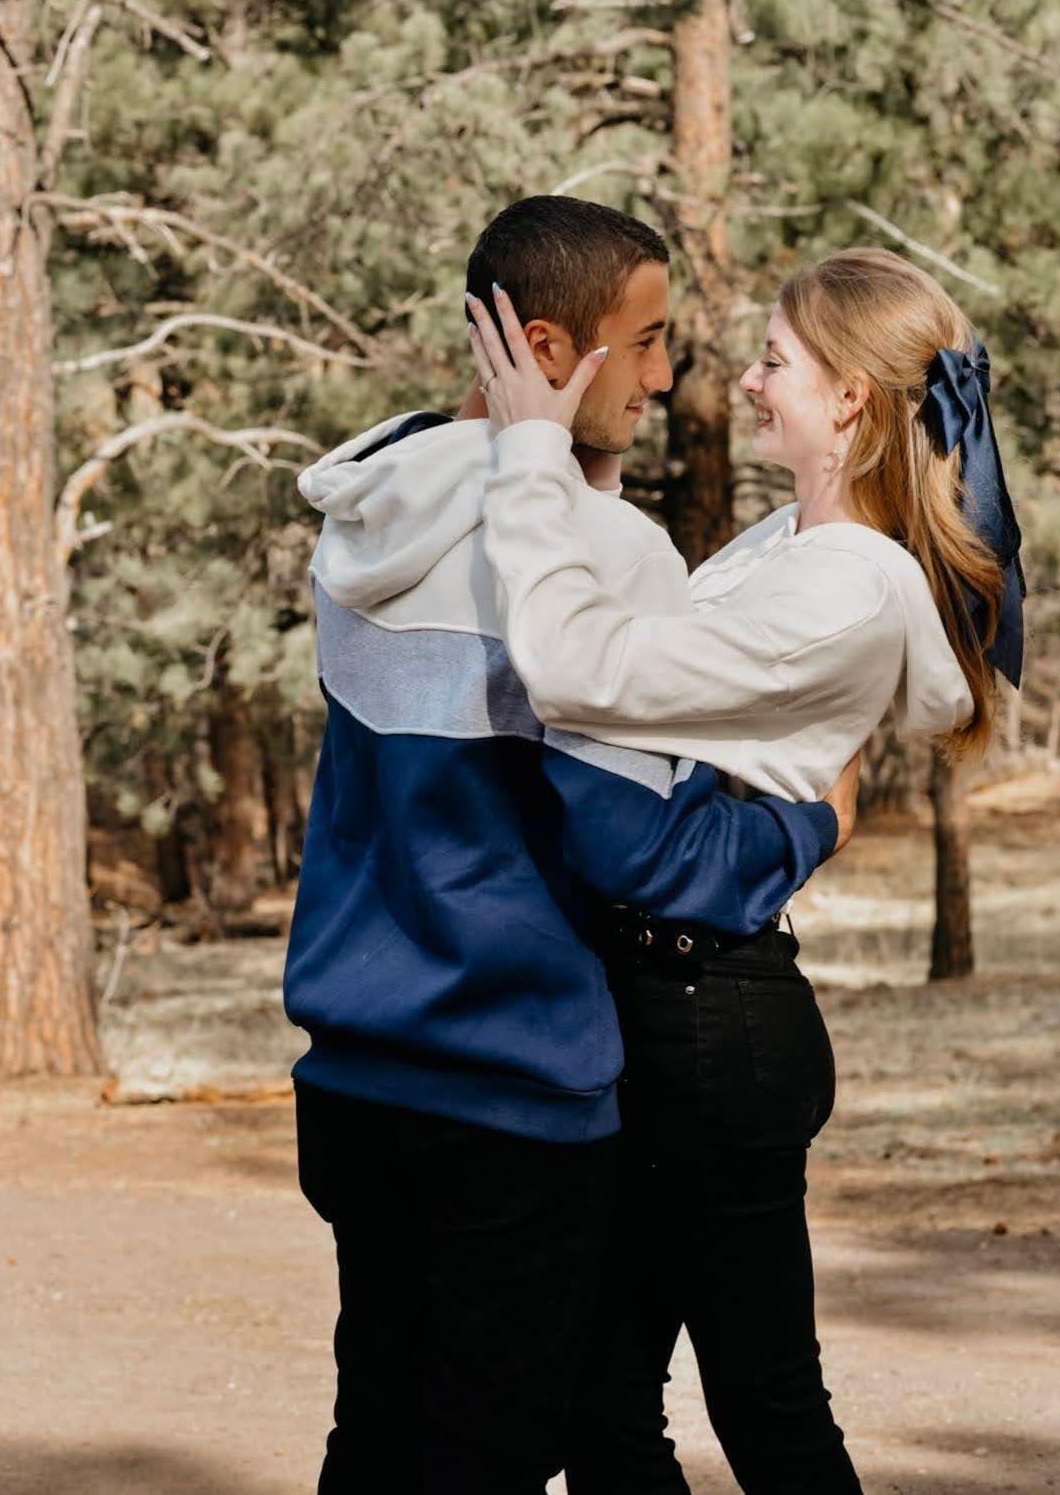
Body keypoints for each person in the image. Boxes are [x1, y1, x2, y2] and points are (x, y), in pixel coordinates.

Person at [283, 196, 862, 1495]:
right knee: (496, 1450)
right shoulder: (591, 552)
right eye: (644, 342)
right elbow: (641, 855)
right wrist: (808, 815)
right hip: (509, 1085)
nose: (666, 375)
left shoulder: (362, 513)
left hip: (354, 1078)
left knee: (374, 1428)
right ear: (547, 349)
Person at [464, 245, 1025, 1495]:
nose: (747, 380)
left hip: (710, 1024)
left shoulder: (849, 582)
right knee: (601, 1406)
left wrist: (527, 457)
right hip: (667, 1003)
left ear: (850, 404)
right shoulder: (791, 539)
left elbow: (580, 673)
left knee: (763, 1412)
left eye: (776, 360)